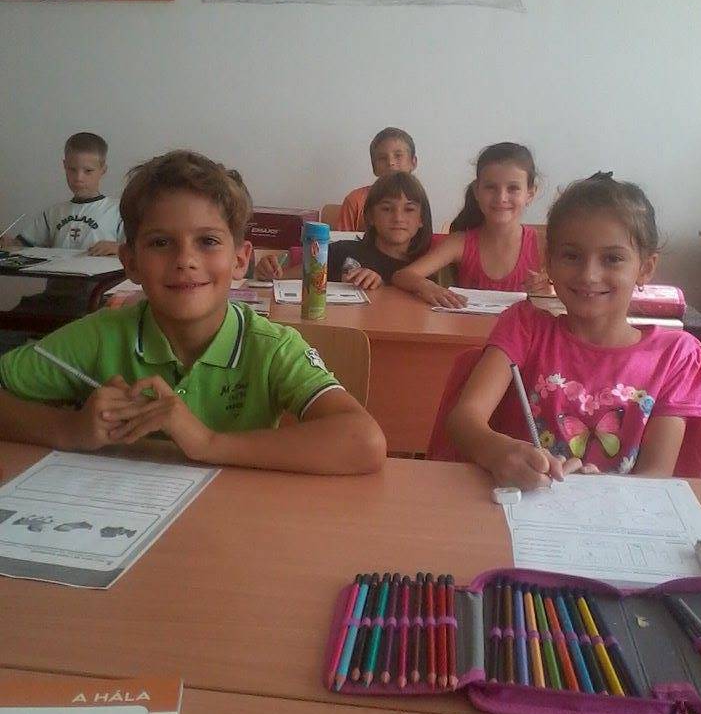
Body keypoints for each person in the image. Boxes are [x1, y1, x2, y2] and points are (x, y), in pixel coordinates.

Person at [0, 150, 386, 475]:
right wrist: (71, 428)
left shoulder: (270, 347)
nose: (185, 260)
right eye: (161, 242)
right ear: (130, 262)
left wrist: (207, 442)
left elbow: (364, 441)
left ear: (240, 260)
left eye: (208, 241)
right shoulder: (102, 335)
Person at [443, 172, 701, 487]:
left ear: (645, 268)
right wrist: (497, 452)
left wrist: (598, 490)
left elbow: (655, 476)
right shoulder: (524, 327)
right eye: (572, 256)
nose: (589, 275)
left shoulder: (677, 357)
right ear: (549, 261)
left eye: (612, 259)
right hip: (523, 506)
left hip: (622, 513)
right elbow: (464, 420)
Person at [392, 142, 541, 308]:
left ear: (530, 194)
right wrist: (427, 286)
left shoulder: (542, 245)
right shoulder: (460, 243)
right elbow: (402, 276)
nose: (501, 198)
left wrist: (551, 288)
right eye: (491, 187)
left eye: (513, 188)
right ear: (477, 191)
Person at [256, 172, 433, 289]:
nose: (398, 217)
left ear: (421, 219)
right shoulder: (340, 251)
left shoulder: (425, 266)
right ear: (370, 217)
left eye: (409, 209)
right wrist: (269, 272)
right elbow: (281, 279)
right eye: (387, 209)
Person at [3, 132, 123, 256]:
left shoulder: (119, 211)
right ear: (65, 166)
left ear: (103, 170)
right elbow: (22, 246)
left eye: (88, 171)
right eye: (72, 169)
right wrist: (8, 243)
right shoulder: (53, 213)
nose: (78, 178)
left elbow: (134, 250)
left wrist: (118, 247)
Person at [336, 127, 418, 232]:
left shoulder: (419, 200)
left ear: (413, 162)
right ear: (374, 167)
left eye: (398, 155)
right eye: (382, 158)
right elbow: (342, 240)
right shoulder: (355, 201)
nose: (390, 163)